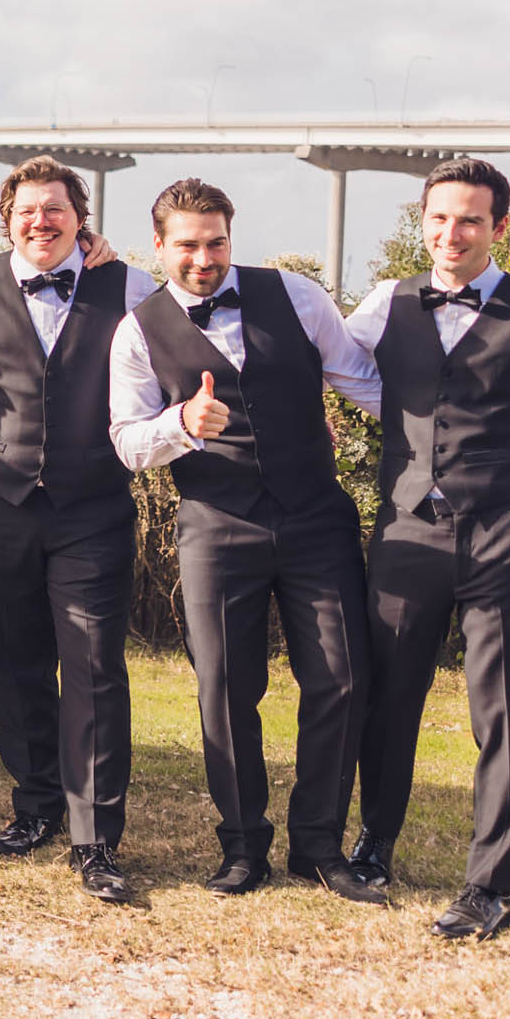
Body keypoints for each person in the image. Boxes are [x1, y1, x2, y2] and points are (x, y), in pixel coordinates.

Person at [343, 158, 510, 941]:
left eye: (468, 220)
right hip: (405, 531)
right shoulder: (384, 302)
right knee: (388, 697)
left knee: (503, 712)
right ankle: (374, 844)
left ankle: (492, 885)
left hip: (503, 534)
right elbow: (331, 363)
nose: (450, 234)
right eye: (437, 218)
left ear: (499, 227)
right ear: (420, 220)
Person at [107, 178, 385, 903]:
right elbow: (126, 442)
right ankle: (242, 847)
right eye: (189, 245)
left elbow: (363, 381)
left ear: (231, 236)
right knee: (226, 689)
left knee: (342, 679)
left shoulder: (295, 296)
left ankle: (318, 844)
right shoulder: (138, 330)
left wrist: (458, 421)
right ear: (161, 246)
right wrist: (179, 426)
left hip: (315, 515)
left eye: (217, 241)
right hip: (216, 525)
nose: (206, 257)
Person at [0, 156, 154, 903]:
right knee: (14, 659)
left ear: (80, 218)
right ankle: (37, 805)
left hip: (93, 507)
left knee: (92, 667)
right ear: (7, 217)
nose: (40, 221)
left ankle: (95, 837)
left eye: (55, 209)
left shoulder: (133, 287)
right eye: (26, 210)